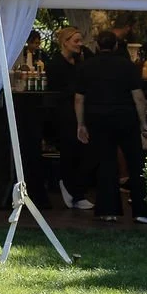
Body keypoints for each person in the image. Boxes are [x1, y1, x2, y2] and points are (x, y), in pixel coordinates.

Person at [74, 30, 147, 223]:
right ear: (116, 46)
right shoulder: (127, 66)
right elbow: (139, 98)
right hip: (125, 117)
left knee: (106, 163)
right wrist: (143, 123)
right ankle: (142, 210)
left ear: (97, 45)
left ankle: (107, 210)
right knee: (135, 162)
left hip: (98, 118)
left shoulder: (86, 67)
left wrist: (81, 124)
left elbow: (79, 99)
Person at [42, 26, 95, 209]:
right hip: (64, 113)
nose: (80, 45)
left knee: (82, 151)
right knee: (69, 150)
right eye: (76, 41)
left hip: (79, 111)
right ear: (65, 42)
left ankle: (77, 190)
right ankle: (70, 189)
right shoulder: (55, 64)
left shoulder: (80, 62)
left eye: (81, 41)